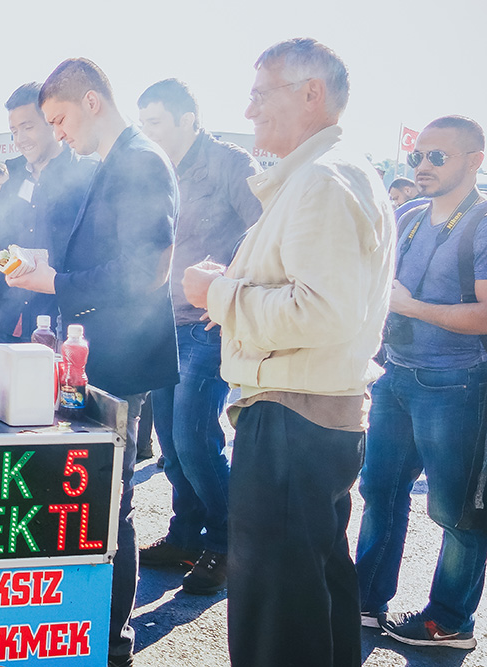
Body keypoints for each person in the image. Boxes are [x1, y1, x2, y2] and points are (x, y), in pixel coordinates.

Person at [182, 38, 394, 667]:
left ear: (311, 92)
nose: (248, 112)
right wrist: (236, 294)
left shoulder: (324, 180)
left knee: (277, 610)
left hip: (290, 418)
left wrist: (219, 293)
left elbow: (323, 312)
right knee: (314, 592)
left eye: (258, 94)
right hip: (306, 411)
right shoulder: (325, 175)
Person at [9, 58, 179, 667]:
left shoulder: (140, 160)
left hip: (125, 359)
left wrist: (59, 282)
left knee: (114, 503)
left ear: (93, 102)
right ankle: (89, 629)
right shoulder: (113, 161)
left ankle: (110, 642)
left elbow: (148, 268)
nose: (58, 133)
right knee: (96, 501)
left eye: (59, 119)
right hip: (100, 353)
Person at [356, 116, 487, 650]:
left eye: (439, 157)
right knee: (379, 492)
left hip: (456, 384)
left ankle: (449, 622)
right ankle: (364, 600)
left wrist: (412, 307)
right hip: (395, 374)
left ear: (474, 160)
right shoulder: (408, 213)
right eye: (419, 156)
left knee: (456, 511)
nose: (423, 166)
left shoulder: (481, 221)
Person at [135, 79, 262, 595]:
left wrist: (228, 286)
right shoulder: (156, 168)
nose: (148, 134)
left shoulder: (231, 164)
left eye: (157, 123)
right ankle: (185, 534)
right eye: (142, 125)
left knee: (194, 440)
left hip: (206, 325)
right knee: (169, 443)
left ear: (190, 119)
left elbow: (267, 230)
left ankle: (227, 544)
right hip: (161, 321)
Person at [0, 82, 97, 344]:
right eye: (14, 130)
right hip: (8, 316)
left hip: (59, 321)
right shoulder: (13, 178)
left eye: (28, 127)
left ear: (51, 122)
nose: (20, 139)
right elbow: (3, 237)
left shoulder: (84, 175)